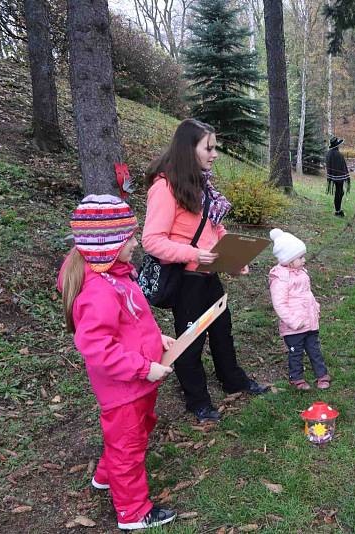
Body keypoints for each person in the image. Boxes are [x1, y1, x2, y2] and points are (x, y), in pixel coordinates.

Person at [58, 195, 177, 530]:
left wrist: (158, 341)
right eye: (129, 238)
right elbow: (97, 348)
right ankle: (133, 512)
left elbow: (134, 322)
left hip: (137, 383)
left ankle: (105, 477)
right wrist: (144, 367)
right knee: (128, 446)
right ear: (107, 245)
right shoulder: (98, 291)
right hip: (124, 388)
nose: (137, 243)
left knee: (133, 435)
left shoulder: (117, 274)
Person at [142, 119, 269, 424]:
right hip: (186, 280)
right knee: (190, 341)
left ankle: (233, 380)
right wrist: (195, 254)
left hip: (208, 274)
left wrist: (232, 256)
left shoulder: (201, 184)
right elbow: (151, 241)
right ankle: (197, 400)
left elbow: (214, 227)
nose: (215, 154)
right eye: (208, 148)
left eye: (215, 147)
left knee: (222, 330)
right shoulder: (164, 188)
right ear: (189, 149)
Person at [268, 229, 330, 390]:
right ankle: (296, 378)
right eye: (300, 257)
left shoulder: (301, 273)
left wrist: (315, 307)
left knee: (314, 349)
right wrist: (294, 322)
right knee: (296, 353)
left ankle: (322, 375)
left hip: (309, 321)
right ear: (288, 260)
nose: (304, 260)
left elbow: (307, 294)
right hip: (293, 327)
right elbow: (279, 304)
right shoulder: (280, 279)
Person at [325, 136, 351, 217]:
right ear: (337, 145)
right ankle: (337, 211)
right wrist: (344, 175)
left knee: (340, 192)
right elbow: (341, 166)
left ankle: (338, 209)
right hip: (339, 177)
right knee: (339, 192)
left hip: (333, 176)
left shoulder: (329, 153)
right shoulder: (337, 154)